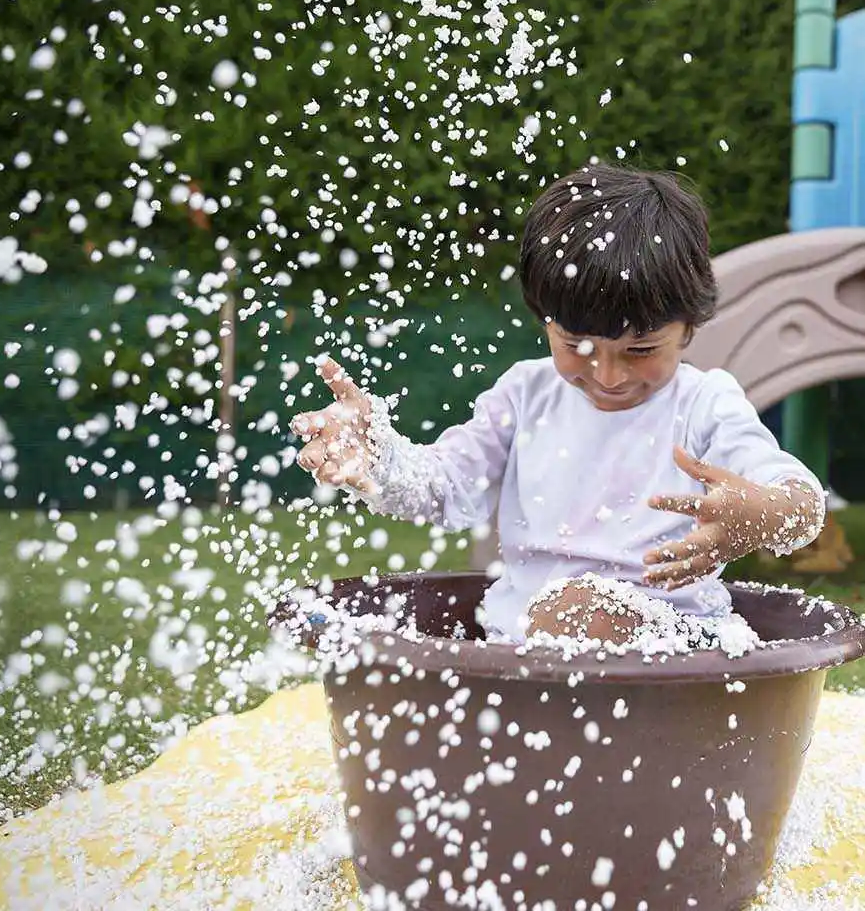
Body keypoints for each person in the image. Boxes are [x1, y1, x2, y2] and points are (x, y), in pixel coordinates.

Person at [289, 164, 825, 649]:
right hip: (519, 648)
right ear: (546, 320)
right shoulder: (525, 396)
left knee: (577, 614)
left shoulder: (705, 405)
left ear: (689, 328)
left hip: (673, 649)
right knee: (552, 619)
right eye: (577, 346)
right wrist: (379, 458)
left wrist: (760, 518)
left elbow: (802, 505)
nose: (609, 376)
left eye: (640, 350)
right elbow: (444, 488)